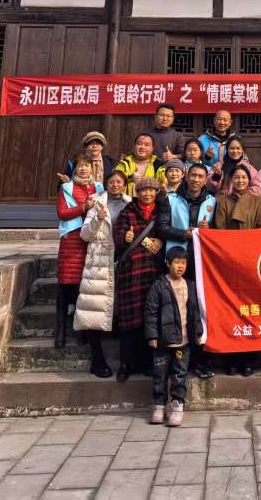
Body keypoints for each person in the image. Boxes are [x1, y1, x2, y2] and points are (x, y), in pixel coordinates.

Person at [157, 163, 216, 379]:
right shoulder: (171, 199)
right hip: (176, 263)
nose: (196, 179)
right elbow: (161, 227)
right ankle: (177, 363)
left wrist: (209, 230)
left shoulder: (212, 201)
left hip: (202, 264)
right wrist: (184, 234)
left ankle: (201, 361)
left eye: (200, 176)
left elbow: (219, 231)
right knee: (176, 311)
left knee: (200, 311)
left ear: (205, 179)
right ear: (186, 176)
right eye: (193, 175)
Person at [74, 170, 131, 378]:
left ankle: (127, 361)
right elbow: (85, 234)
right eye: (112, 181)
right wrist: (97, 220)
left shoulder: (130, 203)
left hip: (123, 260)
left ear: (125, 184)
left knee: (123, 310)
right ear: (106, 184)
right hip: (99, 261)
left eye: (119, 182)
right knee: (94, 309)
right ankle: (97, 359)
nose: (115, 185)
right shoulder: (96, 202)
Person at [214, 164, 261, 377]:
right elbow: (220, 231)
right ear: (230, 181)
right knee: (231, 312)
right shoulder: (223, 202)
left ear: (249, 180)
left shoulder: (258, 202)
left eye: (244, 177)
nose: (240, 181)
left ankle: (249, 360)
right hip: (229, 262)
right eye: (236, 177)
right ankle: (231, 359)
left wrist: (248, 250)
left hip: (251, 261)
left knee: (250, 312)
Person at [113, 177, 165, 381]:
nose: (147, 194)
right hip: (131, 272)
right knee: (128, 321)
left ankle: (147, 363)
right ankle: (126, 364)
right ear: (137, 192)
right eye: (144, 190)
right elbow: (117, 236)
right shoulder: (127, 212)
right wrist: (124, 238)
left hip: (153, 272)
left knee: (150, 319)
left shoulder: (161, 212)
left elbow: (166, 232)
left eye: (151, 190)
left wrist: (161, 240)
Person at [145, 246, 204, 427]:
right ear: (168, 263)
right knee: (160, 375)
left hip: (183, 342)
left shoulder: (190, 285)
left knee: (179, 374)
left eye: (183, 263)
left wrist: (198, 333)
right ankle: (159, 407)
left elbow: (195, 312)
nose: (180, 266)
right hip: (163, 342)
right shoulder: (159, 285)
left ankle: (177, 406)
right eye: (177, 262)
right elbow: (151, 312)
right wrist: (152, 336)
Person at [55, 153, 103, 348]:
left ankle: (83, 331)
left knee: (86, 287)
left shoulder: (99, 188)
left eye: (87, 165)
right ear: (75, 169)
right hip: (72, 240)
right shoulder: (66, 188)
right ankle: (60, 333)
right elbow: (62, 213)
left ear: (92, 168)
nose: (83, 168)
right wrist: (83, 207)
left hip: (91, 239)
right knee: (66, 285)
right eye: (80, 165)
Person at [115, 132, 166, 198]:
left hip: (151, 202)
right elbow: (114, 182)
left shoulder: (159, 166)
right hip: (125, 202)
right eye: (139, 144)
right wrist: (130, 178)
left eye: (147, 145)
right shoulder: (124, 164)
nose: (142, 147)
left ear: (152, 148)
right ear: (134, 146)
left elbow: (165, 186)